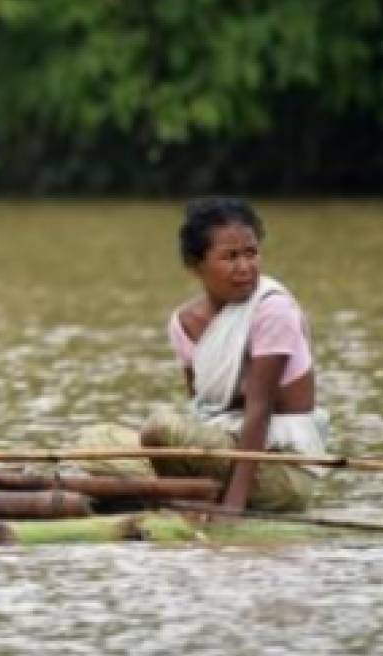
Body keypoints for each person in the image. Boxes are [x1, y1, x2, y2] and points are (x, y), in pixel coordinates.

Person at [77, 197, 328, 511]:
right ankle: (185, 491)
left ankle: (190, 497)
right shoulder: (183, 323)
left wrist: (233, 507)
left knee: (160, 427)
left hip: (277, 466)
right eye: (230, 257)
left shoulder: (271, 309)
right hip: (220, 452)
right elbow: (203, 408)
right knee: (96, 441)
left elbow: (258, 411)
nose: (245, 267)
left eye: (251, 253)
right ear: (197, 265)